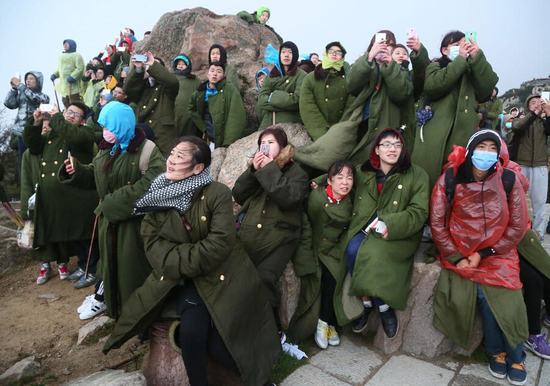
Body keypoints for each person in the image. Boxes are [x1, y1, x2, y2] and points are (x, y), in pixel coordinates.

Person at [103, 137, 281, 386]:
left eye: (180, 156)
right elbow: (156, 252)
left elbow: (220, 243)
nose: (171, 161)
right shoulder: (155, 199)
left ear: (198, 168)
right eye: (172, 154)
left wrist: (180, 257)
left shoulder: (216, 193)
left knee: (222, 343)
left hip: (222, 276)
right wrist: (189, 257)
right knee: (191, 336)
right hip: (186, 282)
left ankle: (261, 381)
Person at [431, 129, 529, 385]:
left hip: (499, 251)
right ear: (471, 149)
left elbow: (517, 226)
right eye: (481, 147)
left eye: (492, 148)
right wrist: (454, 256)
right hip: (461, 249)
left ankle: (516, 356)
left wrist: (486, 252)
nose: (486, 153)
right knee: (482, 296)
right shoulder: (450, 178)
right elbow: (438, 223)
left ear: (499, 153)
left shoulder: (508, 179)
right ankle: (496, 352)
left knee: (511, 295)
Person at [59, 101, 166, 318]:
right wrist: (77, 171)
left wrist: (112, 203)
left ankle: (136, 314)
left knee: (131, 268)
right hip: (110, 223)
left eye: (109, 127)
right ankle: (108, 299)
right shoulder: (109, 148)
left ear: (121, 125)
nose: (105, 132)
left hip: (134, 224)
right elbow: (98, 174)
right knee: (108, 263)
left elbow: (155, 183)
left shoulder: (147, 150)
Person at [343, 128, 428, 338]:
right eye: (387, 144)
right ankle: (368, 302)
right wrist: (317, 182)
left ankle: (384, 308)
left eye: (397, 144)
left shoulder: (418, 175)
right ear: (377, 150)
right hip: (365, 226)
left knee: (375, 253)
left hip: (399, 231)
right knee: (352, 250)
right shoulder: (364, 171)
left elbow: (419, 212)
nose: (393, 149)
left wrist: (389, 223)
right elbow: (341, 176)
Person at [233, 127, 309, 340]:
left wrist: (267, 170)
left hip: (280, 235)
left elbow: (289, 198)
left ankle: (273, 331)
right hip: (249, 229)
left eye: (271, 142)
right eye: (262, 143)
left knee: (263, 278)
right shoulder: (259, 168)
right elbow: (238, 194)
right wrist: (252, 171)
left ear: (283, 147)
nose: (265, 147)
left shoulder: (298, 172)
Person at [21, 102, 99, 286]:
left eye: (77, 115)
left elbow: (75, 138)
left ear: (82, 121)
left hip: (79, 195)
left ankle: (92, 269)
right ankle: (83, 265)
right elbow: (31, 144)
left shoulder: (85, 133)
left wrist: (56, 118)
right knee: (74, 235)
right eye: (69, 112)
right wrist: (35, 122)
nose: (71, 115)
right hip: (59, 199)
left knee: (85, 234)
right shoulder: (50, 135)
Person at [411, 30, 498, 190]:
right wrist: (460, 61)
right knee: (429, 182)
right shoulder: (435, 67)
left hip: (463, 136)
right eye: (456, 45)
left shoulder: (473, 72)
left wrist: (477, 57)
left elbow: (487, 89)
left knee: (457, 187)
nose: (462, 48)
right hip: (433, 136)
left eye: (465, 44)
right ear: (445, 50)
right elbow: (432, 86)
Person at [290, 161, 356, 349]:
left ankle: (326, 323)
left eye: (349, 178)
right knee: (325, 280)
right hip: (314, 246)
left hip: (335, 250)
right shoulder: (316, 198)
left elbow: (348, 232)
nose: (345, 182)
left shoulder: (351, 203)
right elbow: (306, 223)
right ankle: (326, 324)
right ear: (329, 181)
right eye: (340, 178)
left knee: (337, 279)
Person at [510, 95, 550, 239]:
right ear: (528, 106)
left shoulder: (544, 122)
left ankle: (538, 232)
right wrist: (533, 114)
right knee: (518, 200)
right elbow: (517, 128)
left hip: (540, 165)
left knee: (539, 201)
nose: (536, 105)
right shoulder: (520, 118)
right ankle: (518, 231)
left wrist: (549, 114)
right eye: (533, 103)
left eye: (539, 103)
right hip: (521, 164)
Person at [124, 52, 179, 157]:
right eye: (147, 66)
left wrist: (153, 64)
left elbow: (172, 82)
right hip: (144, 136)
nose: (150, 68)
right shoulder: (142, 87)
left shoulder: (168, 88)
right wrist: (139, 69)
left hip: (163, 137)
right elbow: (128, 90)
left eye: (153, 66)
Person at [300, 42, 353, 141]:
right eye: (331, 51)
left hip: (340, 133)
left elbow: (350, 108)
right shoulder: (310, 78)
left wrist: (340, 130)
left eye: (338, 52)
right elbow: (308, 108)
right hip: (316, 133)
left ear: (342, 56)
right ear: (326, 53)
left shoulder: (348, 80)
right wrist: (321, 134)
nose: (334, 54)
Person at [188, 62, 246, 149]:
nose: (215, 73)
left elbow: (236, 116)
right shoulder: (199, 92)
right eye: (212, 71)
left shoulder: (230, 89)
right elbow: (192, 109)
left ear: (223, 76)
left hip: (224, 135)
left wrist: (229, 140)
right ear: (208, 74)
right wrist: (203, 128)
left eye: (219, 71)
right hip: (209, 136)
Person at [4, 71, 50, 175]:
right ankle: (24, 187)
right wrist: (14, 89)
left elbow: (33, 99)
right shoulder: (22, 94)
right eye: (27, 79)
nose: (28, 81)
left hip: (36, 134)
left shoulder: (44, 97)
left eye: (31, 79)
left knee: (36, 160)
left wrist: (19, 85)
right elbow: (9, 104)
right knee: (23, 162)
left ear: (38, 82)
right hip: (21, 133)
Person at [258, 41, 307, 130]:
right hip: (268, 121)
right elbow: (261, 100)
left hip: (291, 123)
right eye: (283, 52)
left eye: (290, 52)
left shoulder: (302, 76)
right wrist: (286, 101)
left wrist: (273, 96)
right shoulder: (271, 76)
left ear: (295, 55)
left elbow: (296, 101)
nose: (286, 55)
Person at [51, 39, 85, 107]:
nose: (65, 45)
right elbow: (60, 69)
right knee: (65, 102)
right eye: (64, 44)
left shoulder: (77, 55)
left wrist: (73, 77)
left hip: (73, 86)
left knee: (74, 103)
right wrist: (55, 74)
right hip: (64, 86)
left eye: (67, 44)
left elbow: (80, 69)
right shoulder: (61, 56)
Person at [172, 54, 201, 137]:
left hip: (189, 116)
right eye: (179, 64)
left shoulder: (195, 80)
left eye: (183, 64)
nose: (181, 66)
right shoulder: (171, 78)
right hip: (173, 114)